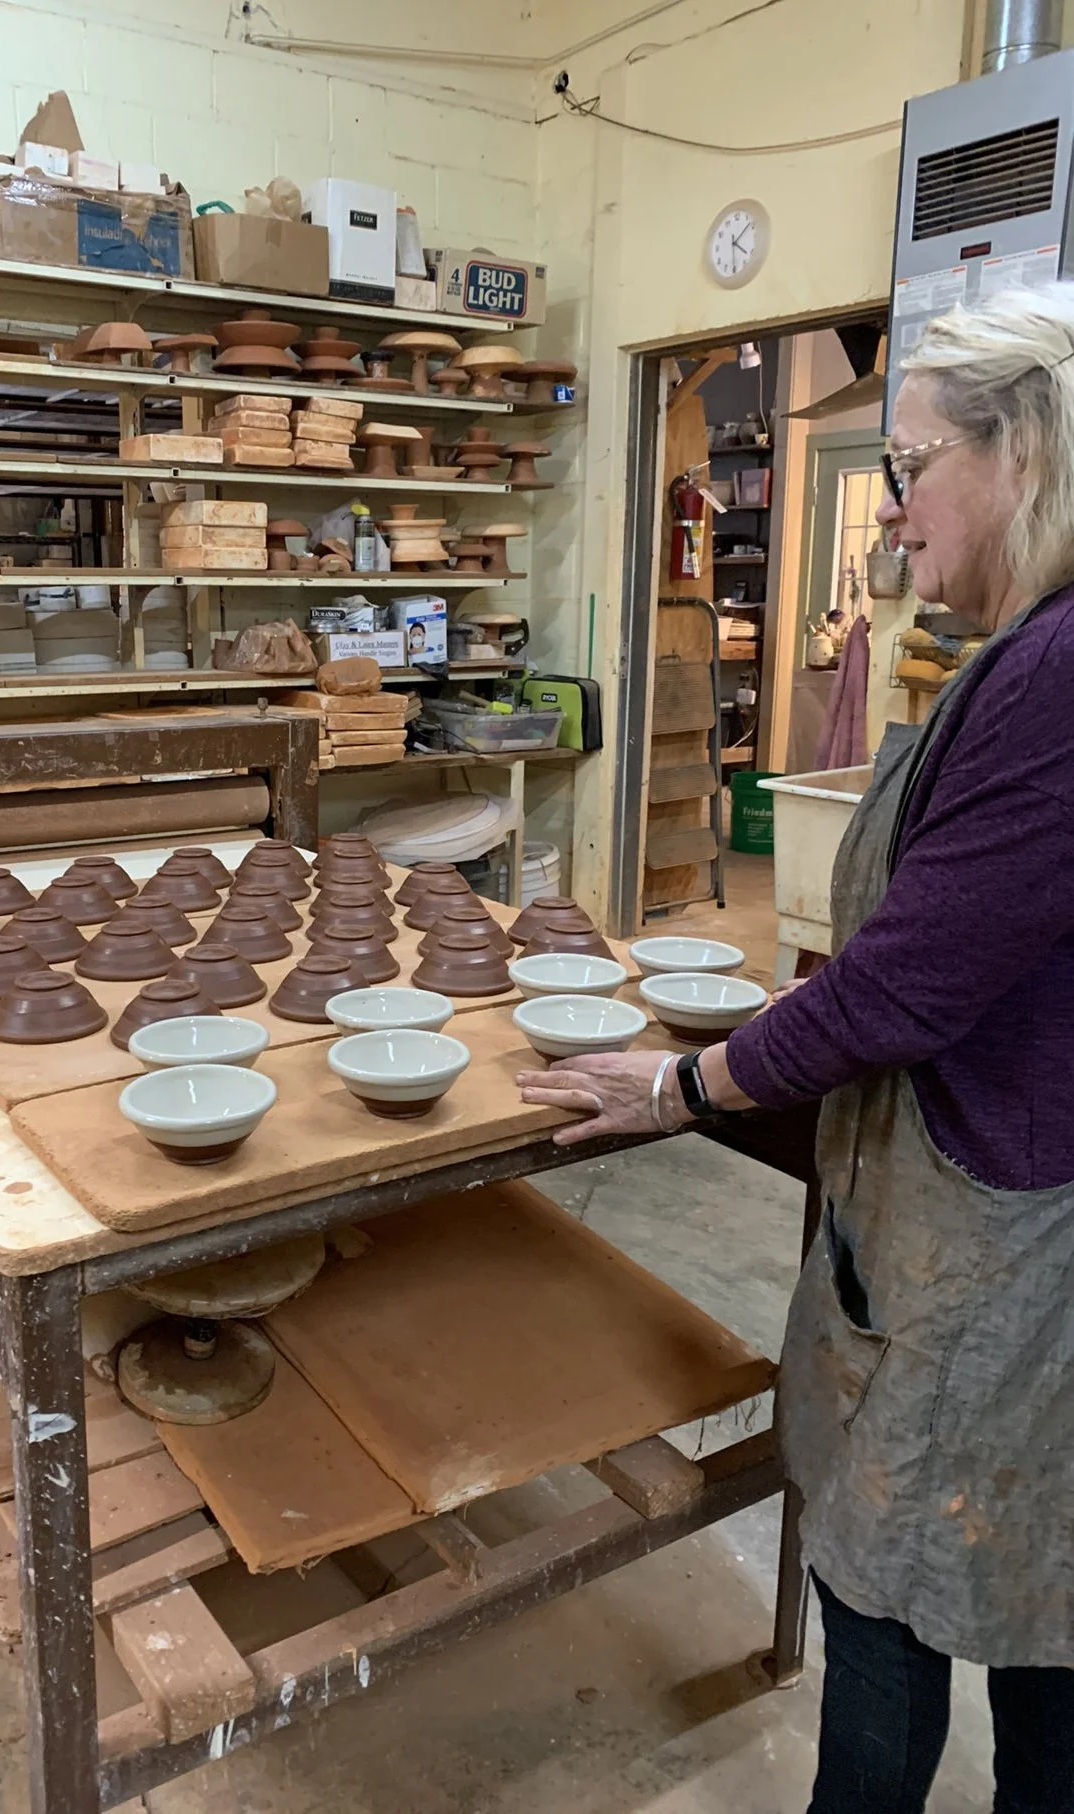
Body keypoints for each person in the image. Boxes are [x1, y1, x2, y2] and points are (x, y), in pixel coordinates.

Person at [520, 284, 1074, 1813]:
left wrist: (678, 1083)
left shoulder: (1054, 677)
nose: (892, 516)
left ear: (1021, 455)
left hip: (1005, 1239)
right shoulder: (1018, 651)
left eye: (910, 469)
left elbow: (902, 989)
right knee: (1045, 1601)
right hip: (1000, 1185)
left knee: (922, 1584)